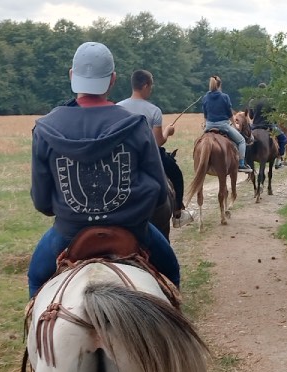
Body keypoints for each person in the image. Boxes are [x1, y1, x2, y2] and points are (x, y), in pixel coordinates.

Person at [28, 41, 180, 298]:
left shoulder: (45, 128)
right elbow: (159, 195)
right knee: (171, 272)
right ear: (112, 80)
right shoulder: (136, 124)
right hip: (133, 230)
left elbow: (42, 202)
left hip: (68, 233)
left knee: (35, 278)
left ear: (71, 76)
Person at [117, 69, 189, 229]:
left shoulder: (117, 108)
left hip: (121, 159)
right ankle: (178, 213)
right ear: (145, 85)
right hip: (148, 156)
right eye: (151, 86)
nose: (151, 89)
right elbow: (157, 142)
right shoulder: (153, 110)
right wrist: (168, 132)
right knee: (176, 174)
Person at [202, 75, 251, 173]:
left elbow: (205, 114)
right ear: (220, 85)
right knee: (241, 141)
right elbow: (229, 114)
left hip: (209, 125)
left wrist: (206, 123)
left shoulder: (205, 97)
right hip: (223, 125)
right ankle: (241, 164)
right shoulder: (224, 97)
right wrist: (235, 125)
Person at [247, 82, 287, 168]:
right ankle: (278, 159)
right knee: (283, 138)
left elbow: (250, 116)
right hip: (268, 126)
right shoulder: (270, 101)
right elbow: (274, 114)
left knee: (244, 139)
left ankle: (245, 160)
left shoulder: (252, 101)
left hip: (255, 126)